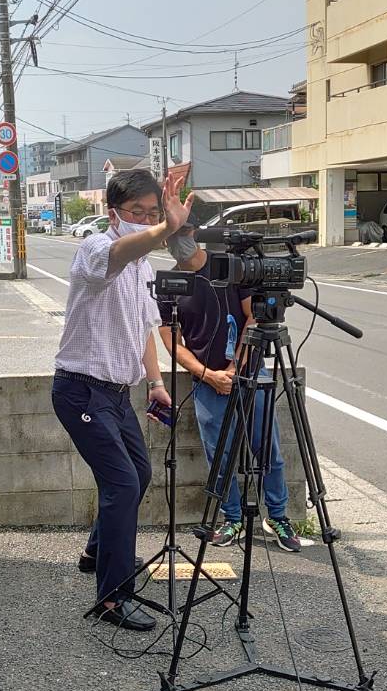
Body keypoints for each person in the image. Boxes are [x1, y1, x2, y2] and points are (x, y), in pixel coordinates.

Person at [52, 167, 194, 632]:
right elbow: (118, 251)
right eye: (137, 212)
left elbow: (144, 331)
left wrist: (155, 383)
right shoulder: (95, 249)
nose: (146, 220)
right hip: (79, 390)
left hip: (116, 393)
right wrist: (164, 229)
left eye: (153, 212)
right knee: (123, 485)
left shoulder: (142, 268)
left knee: (140, 472)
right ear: (113, 213)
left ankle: (98, 551)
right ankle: (114, 598)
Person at [157, 234, 302, 553]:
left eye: (183, 233)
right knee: (219, 457)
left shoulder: (232, 267)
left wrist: (236, 366)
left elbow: (255, 315)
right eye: (171, 236)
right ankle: (232, 518)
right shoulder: (170, 283)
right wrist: (208, 375)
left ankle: (277, 516)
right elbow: (170, 339)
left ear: (194, 233)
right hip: (206, 380)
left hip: (250, 371)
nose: (178, 241)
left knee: (268, 450)